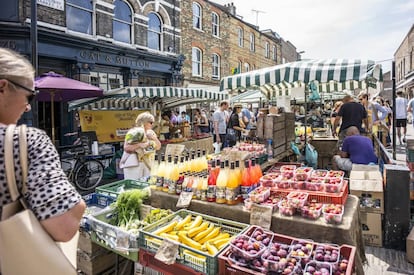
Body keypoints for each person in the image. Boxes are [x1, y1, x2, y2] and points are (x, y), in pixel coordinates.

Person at [0, 48, 86, 242]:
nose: (28, 106)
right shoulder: (25, 141)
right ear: (3, 87)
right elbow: (65, 224)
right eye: (29, 96)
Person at [120, 112, 161, 180]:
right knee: (134, 186)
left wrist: (154, 138)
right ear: (144, 122)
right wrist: (140, 145)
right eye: (151, 122)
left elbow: (158, 147)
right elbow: (126, 148)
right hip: (135, 164)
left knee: (147, 186)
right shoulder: (134, 132)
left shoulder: (151, 133)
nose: (152, 124)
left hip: (148, 165)